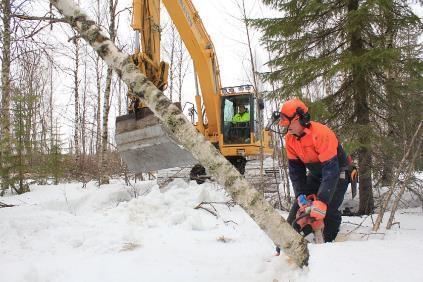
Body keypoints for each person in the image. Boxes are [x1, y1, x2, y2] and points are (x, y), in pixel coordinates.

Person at [278, 98, 350, 243]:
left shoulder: (321, 134)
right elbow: (296, 171)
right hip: (317, 174)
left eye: (287, 121)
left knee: (327, 209)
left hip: (338, 170)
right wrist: (300, 195)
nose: (284, 125)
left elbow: (331, 170)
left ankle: (328, 244)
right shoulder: (290, 139)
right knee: (297, 213)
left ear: (299, 118)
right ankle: (291, 242)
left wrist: (322, 200)